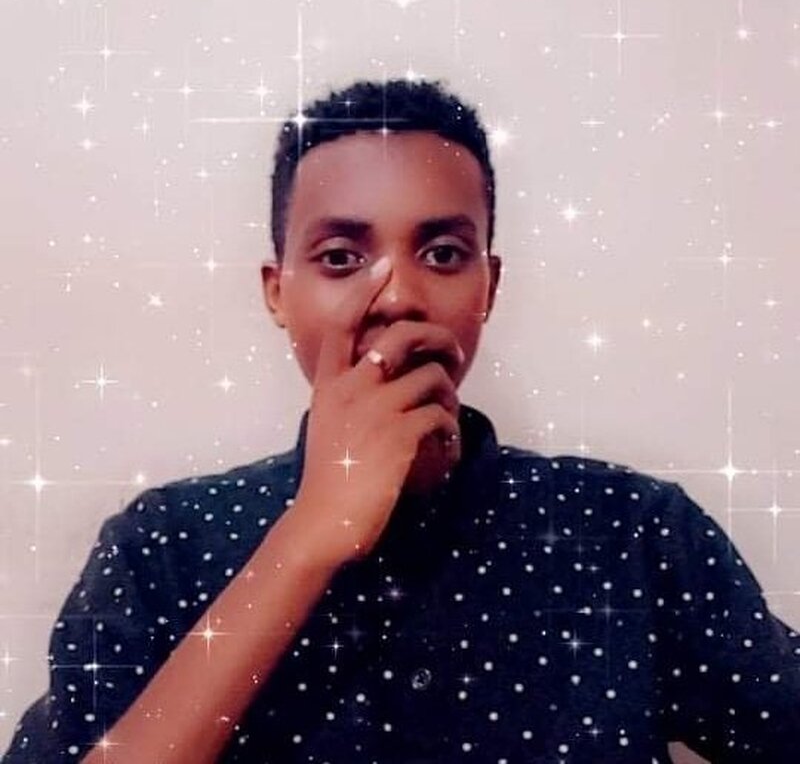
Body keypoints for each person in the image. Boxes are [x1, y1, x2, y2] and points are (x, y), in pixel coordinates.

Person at [4, 78, 799, 764]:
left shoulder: (632, 535)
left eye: (444, 253)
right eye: (341, 258)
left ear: (489, 287)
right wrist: (309, 534)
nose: (396, 296)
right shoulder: (165, 548)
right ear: (277, 292)